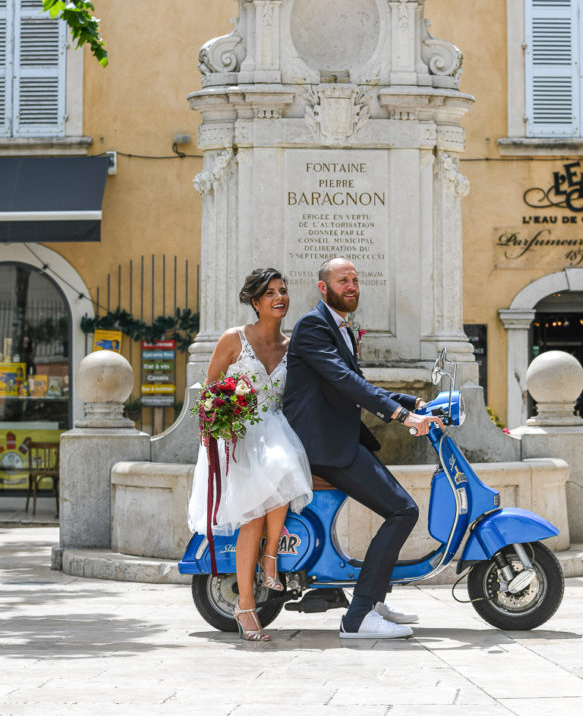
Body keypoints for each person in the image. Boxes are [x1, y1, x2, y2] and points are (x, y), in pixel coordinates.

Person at [283, 257, 443, 640]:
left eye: (355, 279)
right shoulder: (313, 325)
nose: (352, 285)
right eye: (343, 280)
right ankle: (358, 617)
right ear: (323, 288)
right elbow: (343, 381)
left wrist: (412, 403)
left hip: (337, 439)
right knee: (403, 510)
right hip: (323, 445)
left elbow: (355, 381)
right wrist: (401, 417)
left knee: (399, 508)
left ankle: (374, 602)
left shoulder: (337, 326)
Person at [187, 268, 312, 641]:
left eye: (283, 291)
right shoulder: (233, 339)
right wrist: (224, 415)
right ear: (255, 302)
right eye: (270, 293)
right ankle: (245, 606)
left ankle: (270, 556)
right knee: (251, 519)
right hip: (237, 435)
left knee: (282, 463)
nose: (280, 298)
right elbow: (208, 394)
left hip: (276, 431)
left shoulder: (294, 346)